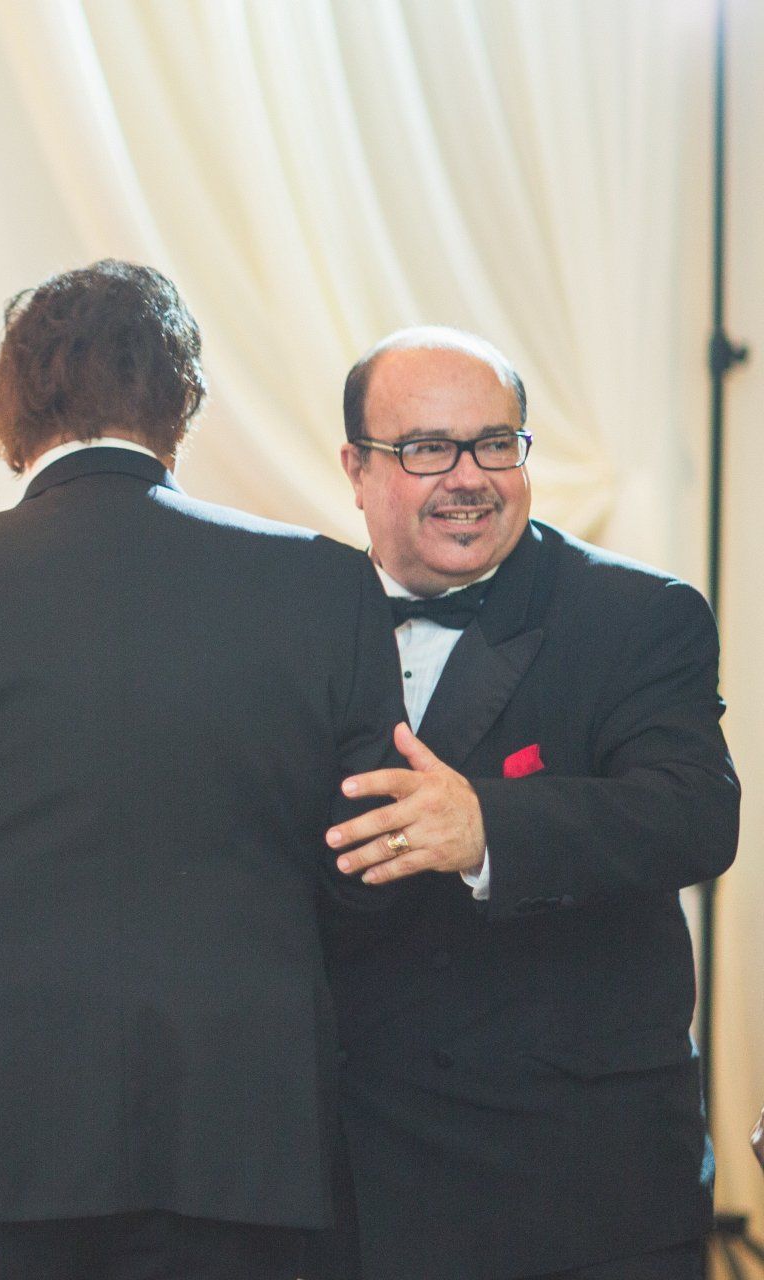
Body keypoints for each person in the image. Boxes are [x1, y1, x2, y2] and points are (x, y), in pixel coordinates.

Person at [0, 260, 407, 1280]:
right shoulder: (323, 584)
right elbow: (369, 871)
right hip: (242, 1115)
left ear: (12, 408)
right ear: (183, 403)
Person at [314, 327, 741, 1280]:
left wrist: (487, 831)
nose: (468, 476)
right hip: (359, 1189)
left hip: (580, 1186)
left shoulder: (637, 614)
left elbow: (695, 814)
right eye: (427, 448)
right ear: (357, 467)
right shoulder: (299, 616)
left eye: (494, 443)